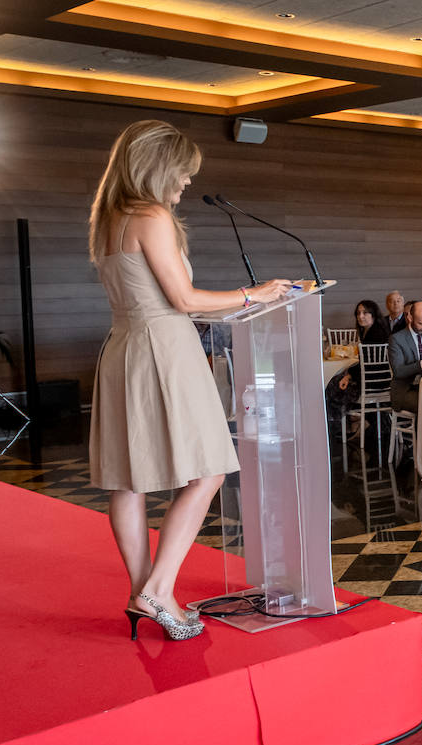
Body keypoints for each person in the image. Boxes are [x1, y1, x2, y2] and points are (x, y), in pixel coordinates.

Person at [90, 120, 291, 640]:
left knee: (128, 480)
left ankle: (146, 593)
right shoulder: (151, 216)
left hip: (123, 348)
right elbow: (184, 300)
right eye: (181, 173)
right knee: (208, 470)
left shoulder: (108, 217)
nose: (184, 184)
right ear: (157, 167)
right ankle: (158, 590)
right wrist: (257, 294)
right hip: (166, 350)